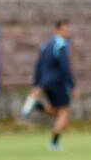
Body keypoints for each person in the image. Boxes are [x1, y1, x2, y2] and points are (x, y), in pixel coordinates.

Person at [21, 19, 77, 151]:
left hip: (46, 83)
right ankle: (54, 143)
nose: (67, 32)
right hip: (57, 82)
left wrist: (37, 85)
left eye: (68, 30)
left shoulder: (46, 45)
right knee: (64, 112)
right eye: (65, 30)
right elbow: (65, 68)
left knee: (57, 111)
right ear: (57, 30)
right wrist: (72, 86)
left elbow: (39, 66)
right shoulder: (61, 45)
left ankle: (37, 106)